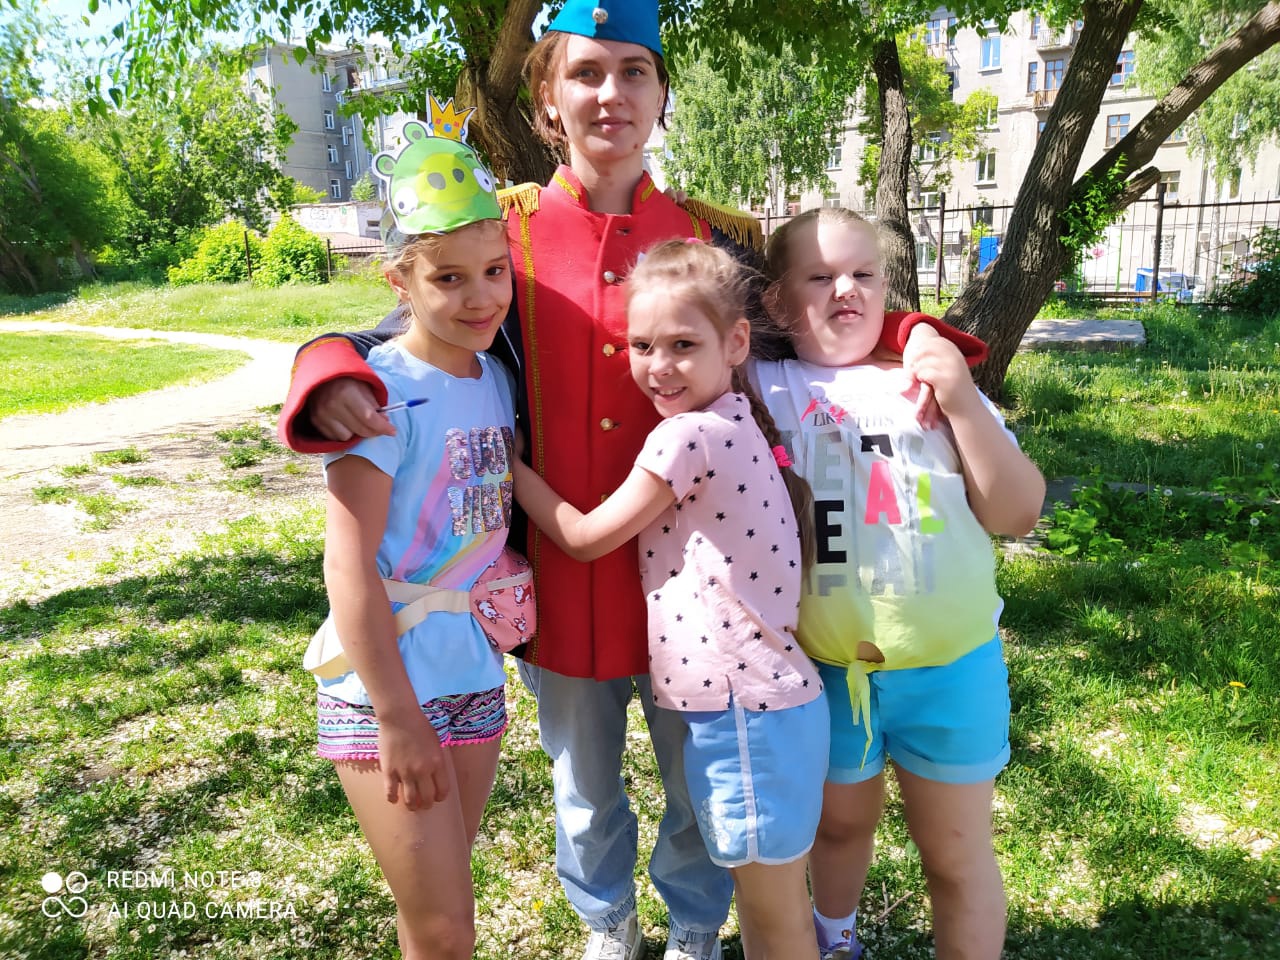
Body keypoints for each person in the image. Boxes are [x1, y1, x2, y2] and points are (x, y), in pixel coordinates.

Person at [277, 3, 987, 957]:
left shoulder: (714, 239)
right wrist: (323, 371)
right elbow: (392, 332)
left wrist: (918, 334)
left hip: (706, 587)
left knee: (699, 784)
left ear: (660, 96)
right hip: (566, 578)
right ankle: (605, 922)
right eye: (585, 72)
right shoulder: (504, 235)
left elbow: (808, 321)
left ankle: (695, 928)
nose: (610, 93)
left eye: (634, 71)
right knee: (582, 786)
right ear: (546, 100)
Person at [512, 239, 829, 959]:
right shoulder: (738, 419)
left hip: (742, 714)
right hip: (772, 705)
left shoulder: (685, 437)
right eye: (642, 345)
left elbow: (586, 538)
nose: (658, 365)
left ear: (736, 343)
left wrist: (513, 468)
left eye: (683, 345)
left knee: (775, 917)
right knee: (771, 906)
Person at [748, 207, 1045, 960]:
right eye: (819, 276)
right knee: (838, 828)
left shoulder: (929, 383)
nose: (845, 288)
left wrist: (961, 394)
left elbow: (1016, 512)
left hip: (952, 671)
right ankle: (836, 938)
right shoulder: (762, 384)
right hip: (822, 673)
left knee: (955, 854)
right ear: (777, 301)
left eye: (863, 273)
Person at [312, 112, 517, 960]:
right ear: (400, 280)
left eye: (495, 272)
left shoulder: (497, 375)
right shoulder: (377, 392)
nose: (481, 298)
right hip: (386, 690)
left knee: (436, 901)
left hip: (472, 674)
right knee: (445, 926)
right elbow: (348, 568)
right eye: (449, 278)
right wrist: (396, 715)